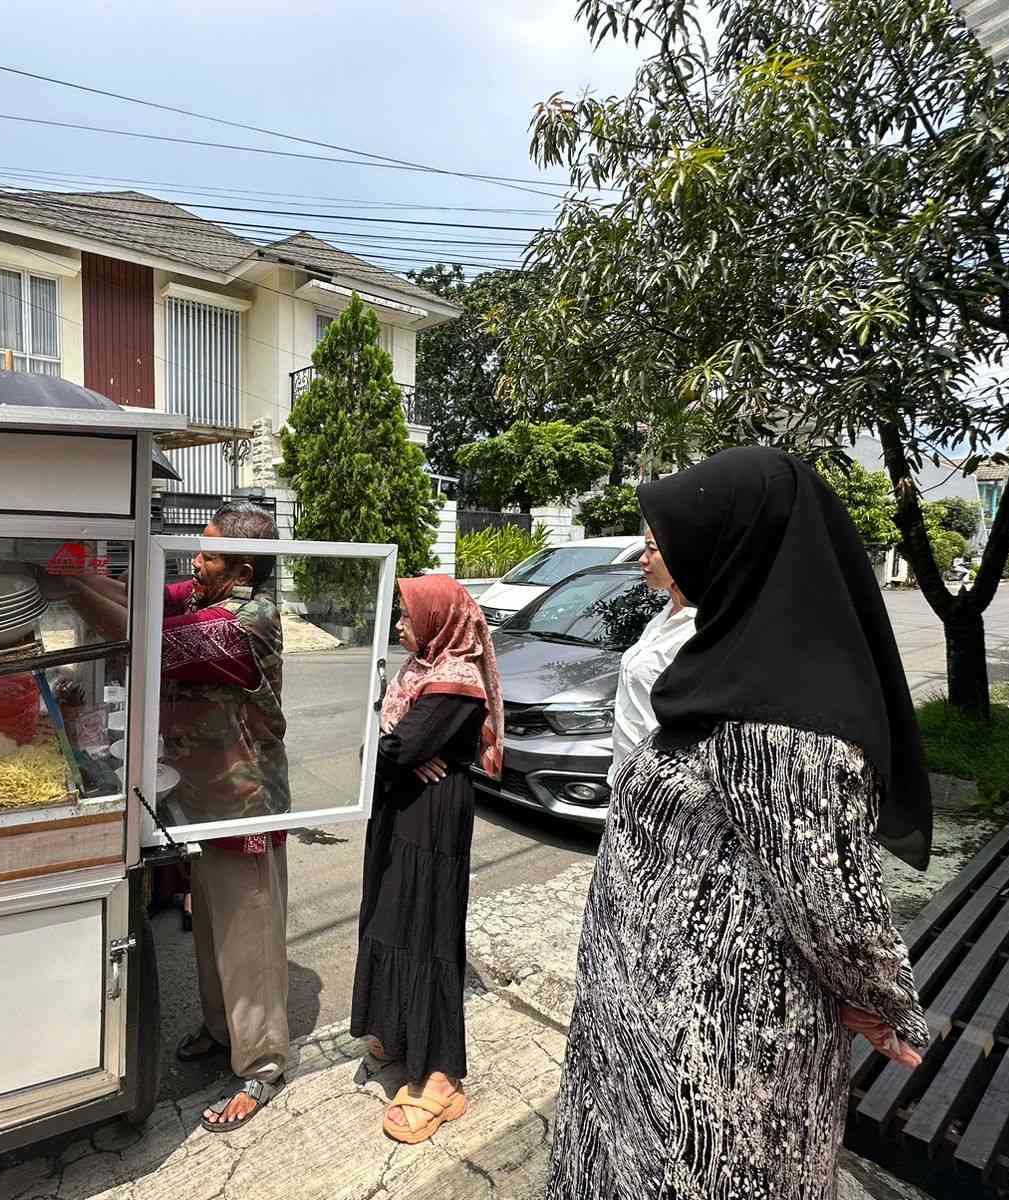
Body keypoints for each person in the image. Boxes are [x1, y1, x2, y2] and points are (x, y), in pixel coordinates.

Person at [544, 447, 933, 1200]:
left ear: (743, 551)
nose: (667, 556)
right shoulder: (728, 667)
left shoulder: (786, 724)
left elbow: (833, 901)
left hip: (718, 1043)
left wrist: (886, 1002)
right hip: (652, 1013)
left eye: (687, 539)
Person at [72, 500, 291, 1132]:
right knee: (210, 926)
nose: (196, 558)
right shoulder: (201, 591)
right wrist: (76, 573)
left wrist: (67, 588)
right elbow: (138, 594)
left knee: (247, 933)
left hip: (242, 802)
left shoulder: (249, 621)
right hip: (200, 798)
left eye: (210, 551)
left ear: (243, 569)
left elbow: (148, 639)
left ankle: (263, 1062)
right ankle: (224, 1030)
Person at [351, 573, 504, 1144]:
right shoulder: (421, 670)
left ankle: (440, 1076)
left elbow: (399, 747)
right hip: (403, 808)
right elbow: (387, 748)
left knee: (427, 929)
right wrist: (396, 751)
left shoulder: (456, 679)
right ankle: (398, 1027)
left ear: (439, 620)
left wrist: (398, 751)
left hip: (432, 816)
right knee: (393, 917)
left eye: (407, 616)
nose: (398, 626)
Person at [607, 528, 697, 783]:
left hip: (657, 785)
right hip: (625, 776)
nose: (642, 559)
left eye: (652, 549)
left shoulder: (699, 630)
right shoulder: (665, 614)